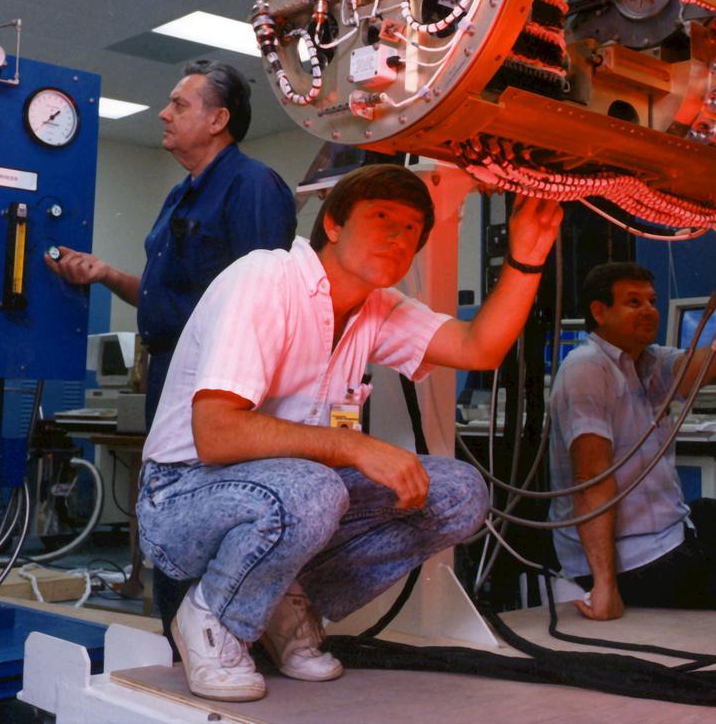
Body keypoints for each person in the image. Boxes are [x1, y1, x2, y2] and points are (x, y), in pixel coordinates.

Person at [137, 165, 563, 701]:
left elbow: (478, 348)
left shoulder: (376, 308)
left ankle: (283, 600)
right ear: (334, 225)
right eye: (382, 217)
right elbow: (217, 434)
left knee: (456, 494)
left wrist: (528, 253)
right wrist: (354, 445)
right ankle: (211, 618)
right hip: (181, 495)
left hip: (288, 496)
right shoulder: (267, 279)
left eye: (411, 229)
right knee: (316, 486)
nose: (397, 235)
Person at [44, 59, 297, 630]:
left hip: (219, 387)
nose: (163, 112)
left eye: (180, 104)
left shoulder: (252, 186)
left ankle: (222, 641)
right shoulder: (178, 198)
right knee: (174, 517)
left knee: (213, 515)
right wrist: (108, 274)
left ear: (218, 119)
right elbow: (168, 300)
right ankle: (179, 642)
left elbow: (264, 301)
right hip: (168, 375)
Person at [547, 260, 716, 621]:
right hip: (633, 558)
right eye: (634, 302)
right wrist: (605, 585)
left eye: (651, 301)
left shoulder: (650, 363)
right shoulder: (587, 369)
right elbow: (591, 480)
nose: (649, 310)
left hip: (666, 531)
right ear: (599, 312)